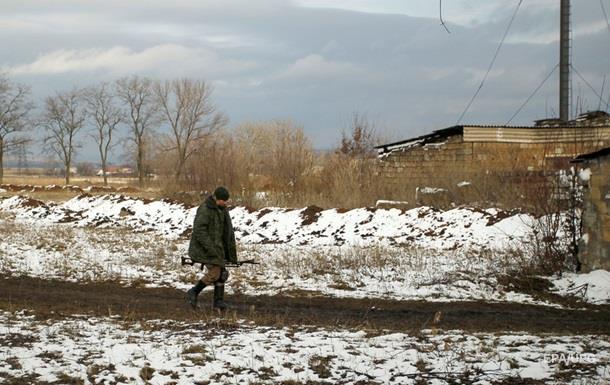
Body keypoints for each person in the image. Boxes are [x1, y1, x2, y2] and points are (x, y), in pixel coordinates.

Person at [186, 186, 237, 310]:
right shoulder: (204, 209)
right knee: (215, 272)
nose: (225, 203)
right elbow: (199, 232)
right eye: (223, 201)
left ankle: (218, 302)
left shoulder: (222, 209)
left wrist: (228, 252)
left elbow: (227, 231)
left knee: (222, 274)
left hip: (217, 248)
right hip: (202, 248)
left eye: (226, 201)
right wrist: (211, 249)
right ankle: (194, 291)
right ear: (216, 198)